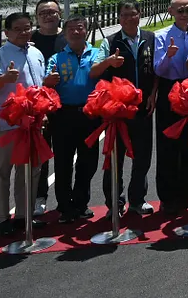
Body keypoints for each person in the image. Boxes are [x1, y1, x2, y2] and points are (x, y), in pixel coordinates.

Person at [47, 15, 122, 223]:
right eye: (71, 28)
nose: (75, 31)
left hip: (91, 114)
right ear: (64, 32)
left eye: (79, 28)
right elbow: (47, 83)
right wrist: (48, 81)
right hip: (63, 116)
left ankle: (81, 203)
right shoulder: (56, 58)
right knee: (63, 162)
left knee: (88, 162)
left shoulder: (97, 55)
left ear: (86, 31)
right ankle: (64, 206)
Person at [0, 12, 50, 236]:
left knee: (30, 171)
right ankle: (1, 219)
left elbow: (40, 85)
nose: (24, 32)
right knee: (2, 172)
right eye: (18, 29)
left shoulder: (36, 52)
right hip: (7, 125)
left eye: (27, 27)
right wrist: (4, 79)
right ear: (7, 32)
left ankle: (24, 214)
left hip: (32, 125)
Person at [98, 0, 157, 216]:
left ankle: (137, 199)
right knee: (115, 159)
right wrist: (108, 63)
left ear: (140, 15)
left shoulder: (150, 38)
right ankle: (114, 203)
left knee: (142, 157)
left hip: (143, 108)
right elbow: (96, 70)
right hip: (118, 112)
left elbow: (155, 69)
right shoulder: (110, 42)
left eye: (133, 14)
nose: (129, 18)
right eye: (124, 15)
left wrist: (153, 93)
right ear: (119, 18)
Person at [152, 0, 188, 214]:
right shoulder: (161, 36)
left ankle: (183, 193)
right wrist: (168, 56)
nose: (185, 13)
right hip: (169, 89)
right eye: (180, 10)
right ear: (171, 11)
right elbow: (158, 70)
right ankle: (166, 196)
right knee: (167, 147)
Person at [30, 0, 65, 216]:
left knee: (64, 154)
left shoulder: (68, 37)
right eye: (43, 13)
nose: (48, 16)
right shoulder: (30, 40)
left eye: (52, 12)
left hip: (65, 105)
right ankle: (38, 197)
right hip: (37, 107)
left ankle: (65, 198)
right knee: (39, 155)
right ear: (37, 17)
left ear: (59, 14)